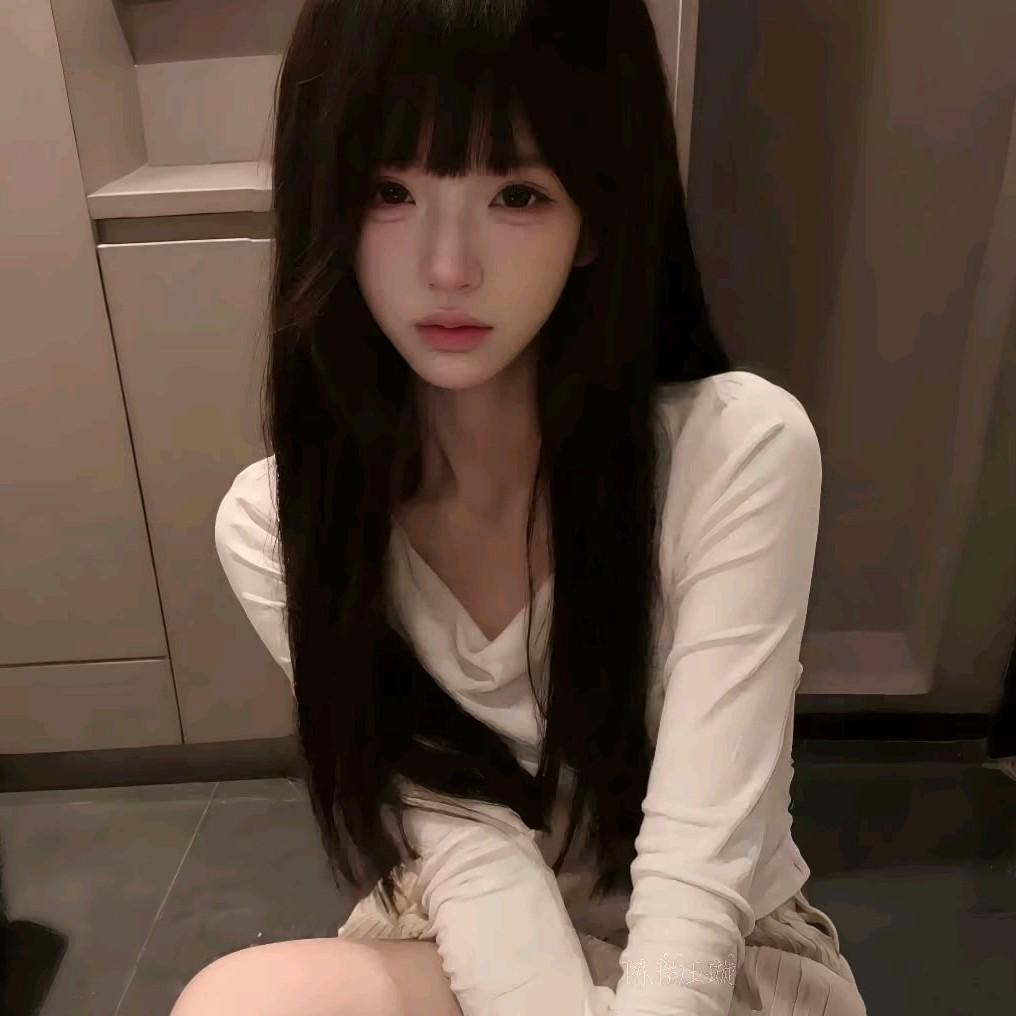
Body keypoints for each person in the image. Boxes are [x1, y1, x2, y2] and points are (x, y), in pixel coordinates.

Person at [173, 1, 867, 1013]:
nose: (447, 268)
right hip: (468, 928)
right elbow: (468, 846)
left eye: (516, 194)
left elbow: (694, 883)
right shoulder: (279, 522)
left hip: (715, 951)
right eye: (388, 191)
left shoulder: (735, 451)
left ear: (596, 217)